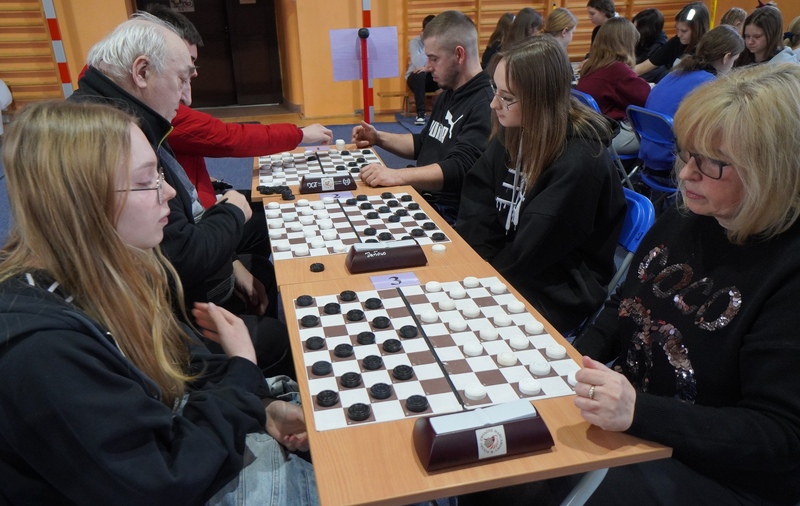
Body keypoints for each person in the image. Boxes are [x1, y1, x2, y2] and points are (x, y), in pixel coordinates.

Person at [0, 100, 317, 504]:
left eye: (161, 174)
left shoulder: (111, 270)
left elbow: (177, 365)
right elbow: (161, 482)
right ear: (82, 201)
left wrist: (261, 405)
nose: (168, 192)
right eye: (146, 180)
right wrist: (242, 369)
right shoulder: (39, 350)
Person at [560, 62, 800, 506]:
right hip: (640, 426)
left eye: (713, 164)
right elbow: (626, 301)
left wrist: (638, 412)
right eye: (687, 153)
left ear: (773, 171)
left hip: (721, 473)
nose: (687, 174)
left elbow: (779, 435)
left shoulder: (788, 270)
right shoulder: (688, 214)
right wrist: (574, 360)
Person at [69, 13, 293, 378]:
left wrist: (229, 260)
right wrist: (232, 214)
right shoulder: (108, 134)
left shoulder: (120, 114)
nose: (187, 95)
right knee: (280, 339)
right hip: (151, 320)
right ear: (142, 72)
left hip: (153, 298)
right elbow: (178, 255)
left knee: (257, 272)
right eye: (181, 79)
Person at [456, 36, 626, 335]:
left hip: (557, 289)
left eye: (507, 97)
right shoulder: (514, 129)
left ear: (541, 100)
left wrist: (480, 278)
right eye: (496, 91)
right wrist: (475, 260)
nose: (494, 104)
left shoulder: (580, 161)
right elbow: (478, 200)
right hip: (508, 266)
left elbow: (535, 249)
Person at [143, 4, 332, 209]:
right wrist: (299, 134)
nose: (194, 72)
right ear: (143, 70)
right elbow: (229, 138)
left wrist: (204, 180)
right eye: (187, 64)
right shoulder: (160, 110)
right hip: (198, 215)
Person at [352, 10, 493, 224]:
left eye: (434, 58)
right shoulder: (448, 93)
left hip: (450, 215)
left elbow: (459, 168)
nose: (427, 66)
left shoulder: (485, 104)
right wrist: (378, 138)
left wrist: (396, 175)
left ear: (459, 54)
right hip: (425, 198)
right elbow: (425, 143)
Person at [641, 25, 744, 169]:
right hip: (673, 160)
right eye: (734, 60)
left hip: (648, 152)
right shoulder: (709, 84)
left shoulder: (676, 72)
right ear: (727, 57)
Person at [577, 17, 651, 155]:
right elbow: (648, 98)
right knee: (664, 140)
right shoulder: (617, 70)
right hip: (609, 135)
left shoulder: (591, 66)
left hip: (590, 133)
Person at [634, 2, 710, 78]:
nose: (679, 35)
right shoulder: (676, 42)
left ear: (697, 30)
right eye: (677, 29)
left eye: (684, 31)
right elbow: (644, 67)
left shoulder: (708, 51)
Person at [405, 14, 439, 125]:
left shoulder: (441, 43)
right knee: (419, 74)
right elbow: (417, 63)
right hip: (415, 78)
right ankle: (420, 114)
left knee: (450, 73)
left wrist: (428, 69)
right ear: (423, 31)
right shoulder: (415, 42)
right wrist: (427, 45)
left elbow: (443, 63)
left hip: (433, 76)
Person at [632, 8, 668, 82]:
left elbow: (643, 74)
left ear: (646, 30)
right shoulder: (642, 39)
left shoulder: (659, 49)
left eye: (637, 28)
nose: (633, 32)